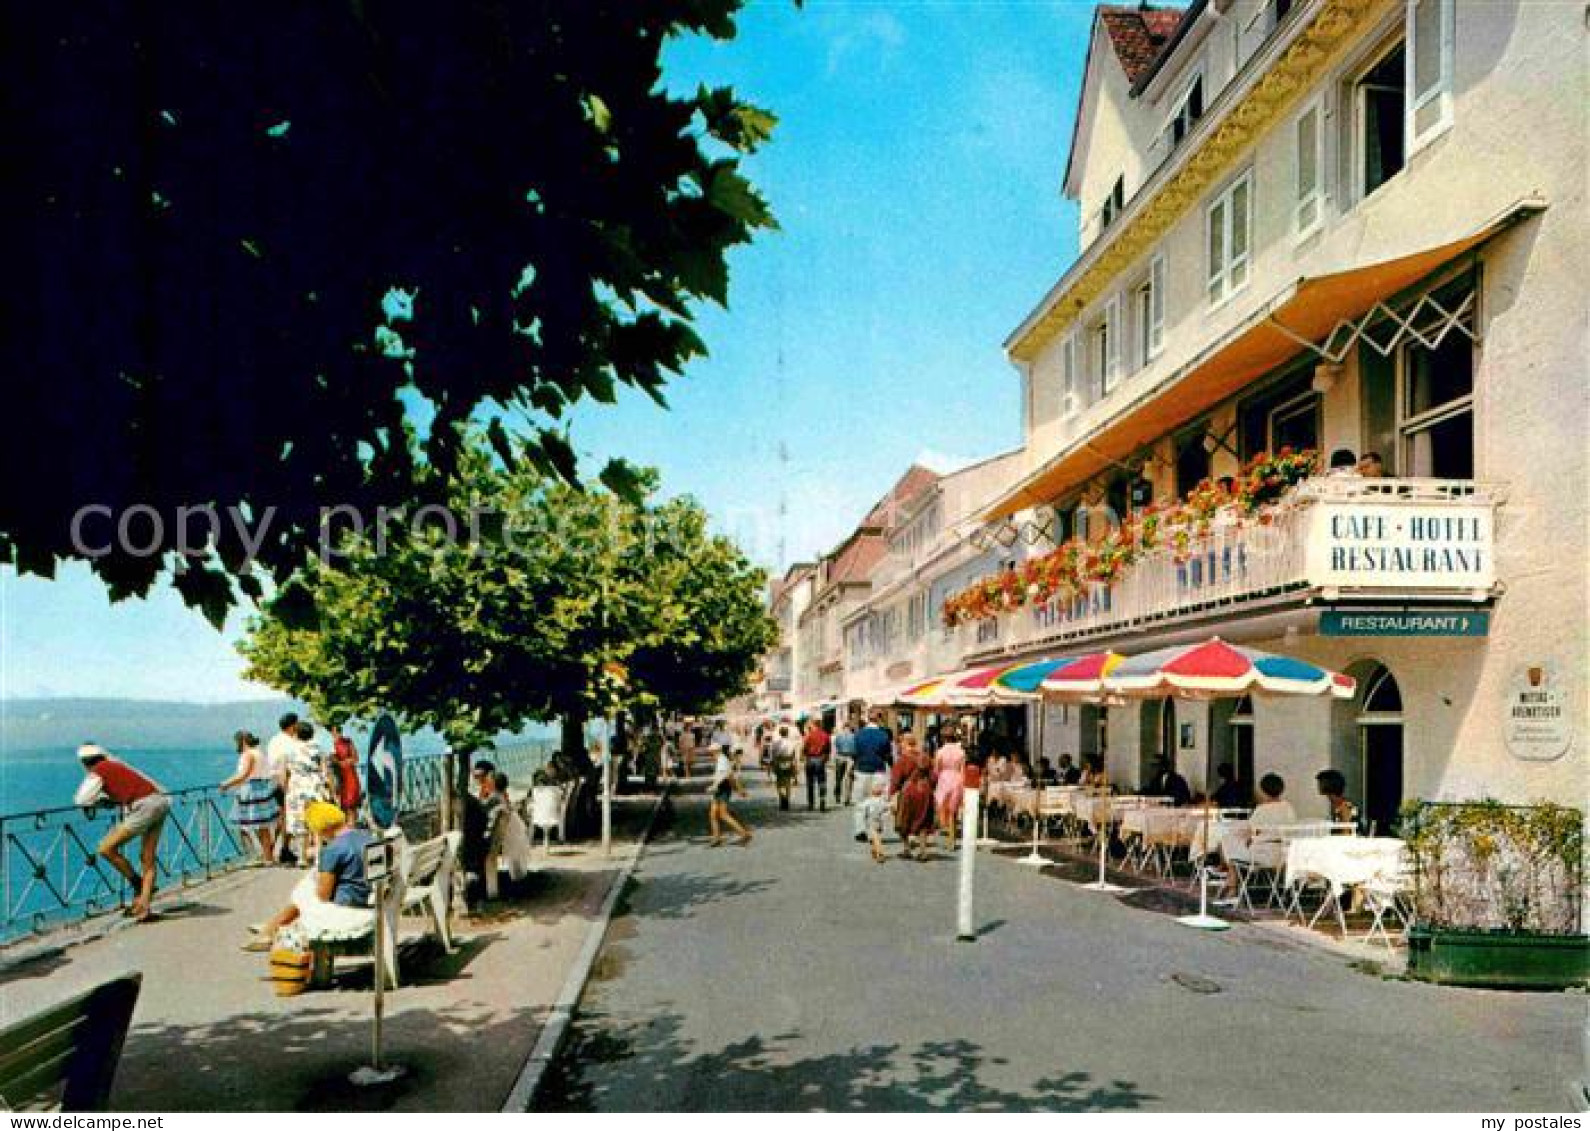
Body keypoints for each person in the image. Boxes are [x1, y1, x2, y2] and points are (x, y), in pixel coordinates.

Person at [243, 801, 374, 951]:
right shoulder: (366, 837)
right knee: (306, 887)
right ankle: (271, 927)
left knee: (304, 892)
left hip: (348, 905)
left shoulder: (333, 850)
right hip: (368, 897)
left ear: (323, 827)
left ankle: (270, 930)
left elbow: (323, 896)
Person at [73, 744, 171, 921]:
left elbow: (82, 799)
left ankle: (136, 882)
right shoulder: (117, 765)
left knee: (106, 848)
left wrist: (98, 801)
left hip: (144, 806)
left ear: (85, 763)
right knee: (147, 857)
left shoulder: (98, 770)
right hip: (160, 801)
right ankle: (144, 907)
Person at [220, 729, 279, 863]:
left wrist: (226, 784)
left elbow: (243, 774)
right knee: (263, 826)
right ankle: (268, 858)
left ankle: (253, 857)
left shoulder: (248, 755)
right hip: (262, 788)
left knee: (241, 825)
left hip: (249, 790)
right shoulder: (259, 752)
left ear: (243, 741)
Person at [284, 719, 333, 867]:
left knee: (300, 824)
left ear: (297, 733)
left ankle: (302, 858)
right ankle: (319, 857)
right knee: (316, 823)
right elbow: (325, 770)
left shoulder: (290, 750)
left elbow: (285, 771)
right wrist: (329, 788)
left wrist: (286, 788)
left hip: (297, 786)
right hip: (315, 786)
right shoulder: (318, 748)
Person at [850, 711, 893, 841]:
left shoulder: (858, 734)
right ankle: (875, 827)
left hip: (861, 769)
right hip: (878, 770)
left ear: (867, 719)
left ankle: (860, 829)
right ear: (879, 719)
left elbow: (854, 752)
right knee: (878, 801)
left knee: (860, 801)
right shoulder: (884, 735)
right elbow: (887, 754)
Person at [265, 712, 300, 863]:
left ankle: (273, 848)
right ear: (292, 726)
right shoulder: (290, 743)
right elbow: (287, 764)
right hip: (286, 780)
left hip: (272, 780)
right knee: (287, 816)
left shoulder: (273, 740)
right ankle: (283, 849)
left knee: (281, 816)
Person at [932, 723, 967, 852]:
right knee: (954, 811)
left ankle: (950, 838)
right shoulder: (961, 752)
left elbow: (936, 770)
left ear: (943, 738)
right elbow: (963, 770)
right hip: (958, 779)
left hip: (945, 779)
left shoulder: (940, 752)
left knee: (944, 810)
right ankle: (952, 839)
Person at [708, 745, 752, 847]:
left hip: (723, 789)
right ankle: (716, 838)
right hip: (720, 789)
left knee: (723, 814)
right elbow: (726, 775)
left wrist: (714, 785)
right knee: (713, 814)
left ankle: (744, 834)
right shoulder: (720, 759)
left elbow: (726, 776)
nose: (710, 753)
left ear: (717, 751)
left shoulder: (722, 760)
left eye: (711, 751)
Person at [895, 763, 936, 861]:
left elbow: (897, 777)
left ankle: (907, 849)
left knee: (903, 822)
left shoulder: (907, 758)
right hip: (925, 792)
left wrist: (894, 790)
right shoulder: (925, 759)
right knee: (923, 824)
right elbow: (934, 779)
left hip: (909, 791)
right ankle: (922, 852)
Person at [329, 724, 362, 822]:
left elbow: (356, 758)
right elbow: (330, 761)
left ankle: (352, 825)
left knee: (352, 802)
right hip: (337, 776)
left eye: (337, 731)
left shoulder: (347, 741)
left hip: (349, 775)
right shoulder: (330, 744)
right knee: (341, 803)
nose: (335, 734)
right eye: (333, 732)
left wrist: (343, 762)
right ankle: (347, 826)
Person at [857, 777, 890, 864]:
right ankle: (874, 851)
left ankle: (880, 853)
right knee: (874, 838)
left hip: (871, 822)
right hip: (879, 822)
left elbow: (861, 808)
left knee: (875, 839)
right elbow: (887, 808)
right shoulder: (882, 801)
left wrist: (863, 818)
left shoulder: (868, 801)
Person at [801, 717, 830, 812]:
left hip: (810, 759)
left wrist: (804, 757)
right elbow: (828, 750)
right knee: (821, 782)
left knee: (810, 783)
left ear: (814, 725)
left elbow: (804, 748)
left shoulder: (809, 735)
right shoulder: (826, 735)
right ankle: (822, 801)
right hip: (820, 759)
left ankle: (811, 804)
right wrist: (825, 759)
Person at [769, 724, 799, 811]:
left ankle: (782, 798)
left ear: (780, 733)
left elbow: (773, 754)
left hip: (779, 762)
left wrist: (772, 763)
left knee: (779, 782)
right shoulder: (791, 743)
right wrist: (795, 765)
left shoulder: (776, 743)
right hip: (789, 762)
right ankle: (787, 800)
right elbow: (794, 755)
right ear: (787, 733)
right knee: (788, 782)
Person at [831, 720, 857, 806]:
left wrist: (833, 759)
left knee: (838, 778)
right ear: (850, 728)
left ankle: (838, 795)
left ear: (843, 728)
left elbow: (835, 748)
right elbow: (856, 749)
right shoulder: (854, 736)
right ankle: (847, 798)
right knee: (848, 779)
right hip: (850, 758)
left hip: (840, 757)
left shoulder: (838, 736)